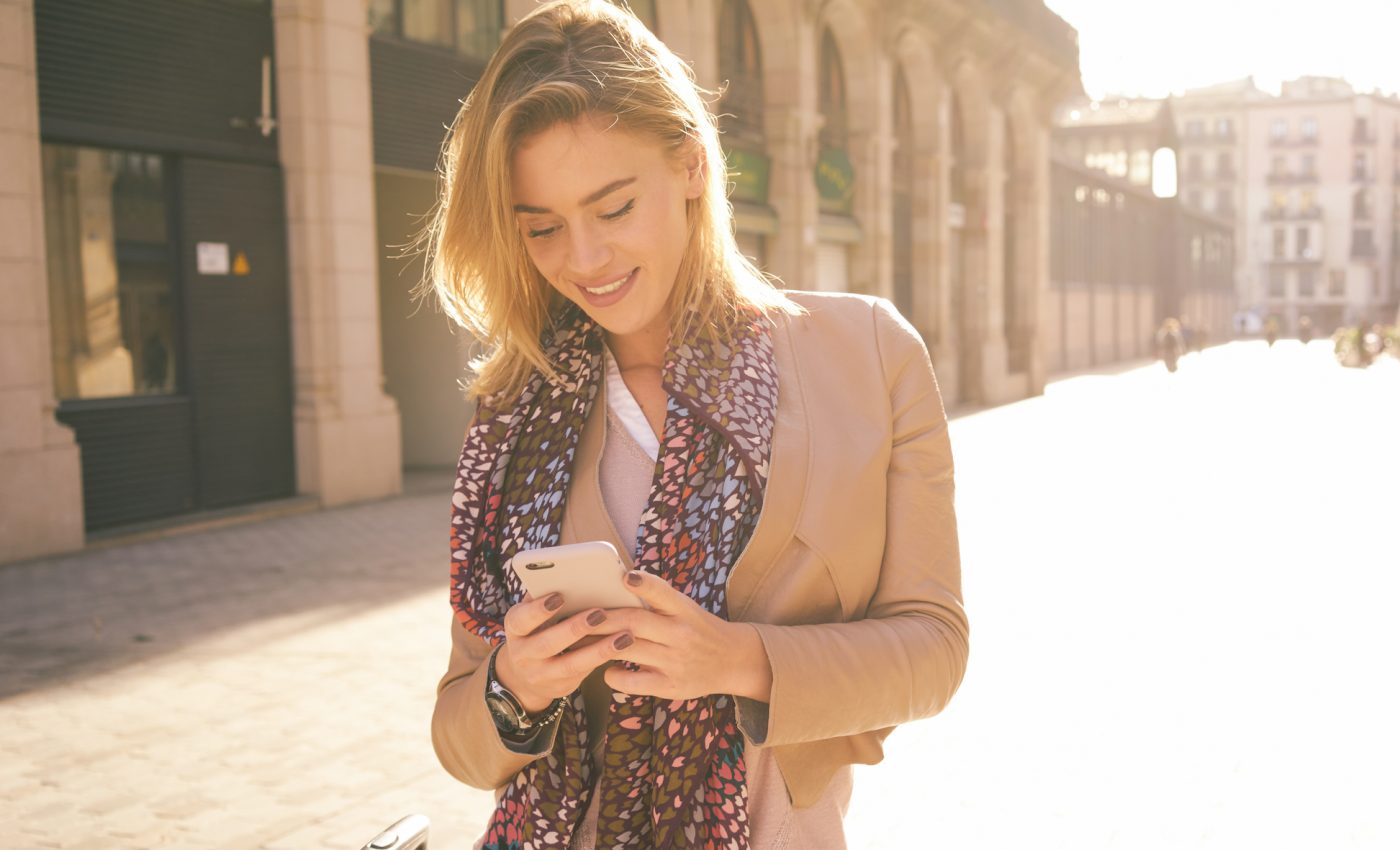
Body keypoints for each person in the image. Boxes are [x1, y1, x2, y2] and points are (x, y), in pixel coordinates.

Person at [420, 3, 968, 848]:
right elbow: (457, 731)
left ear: (688, 165)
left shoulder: (868, 354)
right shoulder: (512, 417)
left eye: (612, 207)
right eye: (544, 229)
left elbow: (934, 651)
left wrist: (738, 659)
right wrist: (513, 685)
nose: (585, 258)